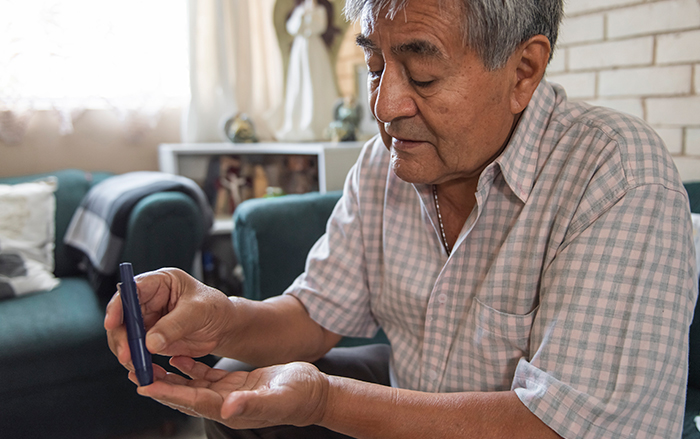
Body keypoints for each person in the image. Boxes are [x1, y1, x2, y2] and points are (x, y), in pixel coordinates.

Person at [105, 0, 698, 437]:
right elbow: (316, 312)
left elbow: (564, 428)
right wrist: (220, 316)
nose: (384, 106)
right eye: (374, 66)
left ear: (524, 72)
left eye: (423, 73)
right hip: (414, 394)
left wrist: (324, 402)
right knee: (243, 386)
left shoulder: (615, 173)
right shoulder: (384, 163)